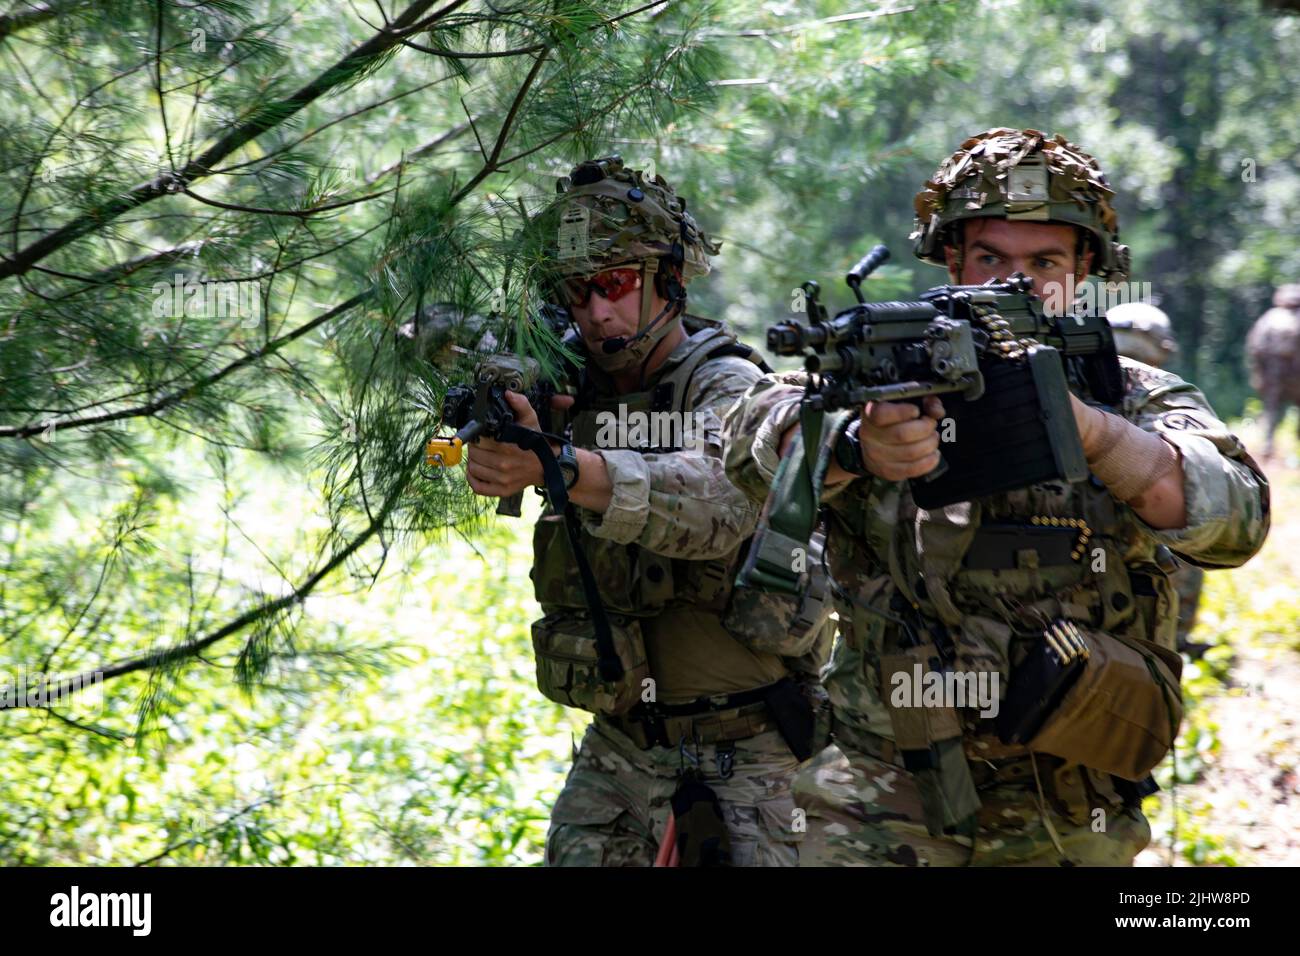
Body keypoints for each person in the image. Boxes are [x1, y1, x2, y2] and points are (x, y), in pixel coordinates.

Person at [722, 128, 1271, 866]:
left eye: (1043, 262)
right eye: (991, 259)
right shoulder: (889, 366)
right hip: (881, 794)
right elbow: (753, 437)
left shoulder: (1128, 392)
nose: (1014, 285)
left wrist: (1093, 434)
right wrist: (854, 446)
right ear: (953, 259)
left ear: (1083, 270)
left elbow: (1236, 521)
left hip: (1071, 797)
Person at [465, 156, 830, 866]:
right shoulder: (568, 383)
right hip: (623, 745)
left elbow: (721, 500)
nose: (597, 310)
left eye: (615, 283)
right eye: (577, 291)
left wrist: (563, 466)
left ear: (671, 278)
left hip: (751, 748)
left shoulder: (725, 379)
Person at [1246, 283, 1300, 460]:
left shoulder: (1269, 318)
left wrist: (1259, 373)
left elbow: (1256, 347)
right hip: (1294, 374)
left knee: (1271, 409)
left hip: (1274, 373)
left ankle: (1267, 447)